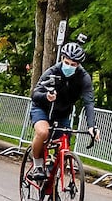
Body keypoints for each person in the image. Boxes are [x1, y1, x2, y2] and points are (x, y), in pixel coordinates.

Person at [25, 40, 99, 181]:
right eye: (67, 62)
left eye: (74, 65)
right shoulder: (52, 71)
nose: (70, 66)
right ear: (62, 59)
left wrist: (91, 126)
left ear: (79, 65)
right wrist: (47, 96)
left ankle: (54, 180)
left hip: (62, 113)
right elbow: (35, 94)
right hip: (42, 109)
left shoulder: (84, 78)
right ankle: (38, 165)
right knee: (43, 132)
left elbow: (89, 102)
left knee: (64, 147)